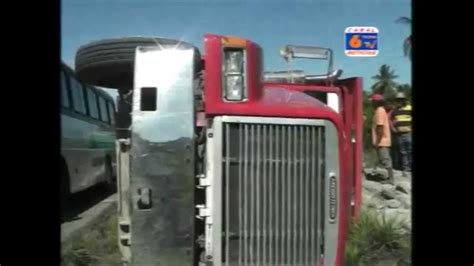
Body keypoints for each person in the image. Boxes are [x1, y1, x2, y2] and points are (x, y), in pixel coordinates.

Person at [369, 93, 394, 184]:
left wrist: (377, 141)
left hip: (382, 141)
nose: (371, 103)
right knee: (383, 159)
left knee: (385, 159)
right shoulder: (379, 111)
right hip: (382, 140)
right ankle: (388, 177)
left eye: (372, 101)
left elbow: (380, 127)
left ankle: (391, 179)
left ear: (376, 102)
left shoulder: (379, 112)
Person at [391, 92, 412, 177]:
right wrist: (393, 128)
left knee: (410, 150)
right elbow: (391, 120)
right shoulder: (395, 110)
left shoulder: (409, 108)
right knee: (402, 151)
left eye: (401, 99)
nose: (399, 101)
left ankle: (410, 167)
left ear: (404, 100)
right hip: (399, 134)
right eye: (398, 100)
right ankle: (405, 168)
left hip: (408, 133)